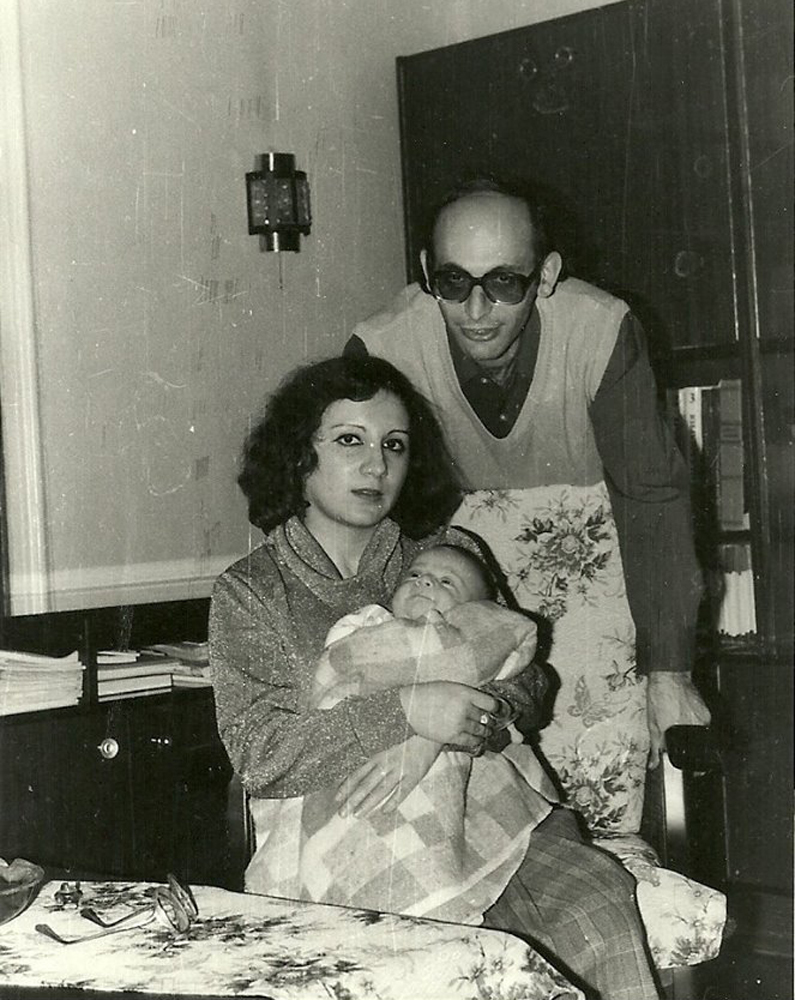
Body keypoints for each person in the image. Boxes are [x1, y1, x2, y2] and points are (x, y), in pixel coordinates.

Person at [209, 354, 661, 1000]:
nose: (377, 465)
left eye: (394, 445)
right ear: (298, 454)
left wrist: (446, 729)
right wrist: (407, 711)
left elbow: (529, 684)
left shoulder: (444, 553)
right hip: (339, 846)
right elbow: (262, 755)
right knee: (430, 965)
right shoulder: (252, 591)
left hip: (491, 817)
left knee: (596, 906)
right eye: (350, 441)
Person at [347, 175, 711, 835]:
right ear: (427, 272)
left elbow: (652, 496)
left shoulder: (600, 331)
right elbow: (360, 517)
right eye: (453, 282)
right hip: (451, 576)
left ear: (545, 276)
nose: (476, 310)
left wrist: (668, 673)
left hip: (605, 571)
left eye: (504, 283)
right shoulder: (382, 349)